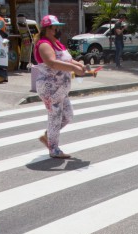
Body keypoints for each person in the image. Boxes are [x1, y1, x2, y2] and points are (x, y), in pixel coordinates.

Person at [33, 15, 86, 159]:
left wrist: (79, 65)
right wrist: (75, 68)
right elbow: (52, 63)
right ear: (47, 29)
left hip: (61, 89)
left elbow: (68, 59)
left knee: (68, 116)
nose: (57, 30)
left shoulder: (56, 43)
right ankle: (54, 148)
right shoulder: (44, 44)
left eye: (57, 27)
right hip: (50, 88)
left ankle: (48, 136)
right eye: (54, 27)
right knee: (55, 117)